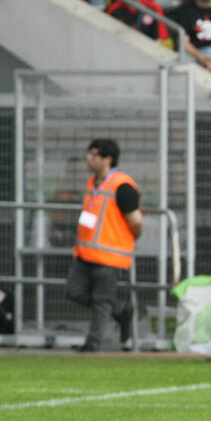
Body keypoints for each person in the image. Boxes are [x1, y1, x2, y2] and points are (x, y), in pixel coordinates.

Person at [67, 139, 143, 353]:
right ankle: (120, 311)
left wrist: (124, 240)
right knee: (74, 291)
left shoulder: (122, 186)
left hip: (109, 255)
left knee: (102, 300)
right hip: (85, 252)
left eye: (93, 155)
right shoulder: (93, 183)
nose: (88, 159)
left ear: (107, 159)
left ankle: (92, 344)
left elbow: (136, 222)